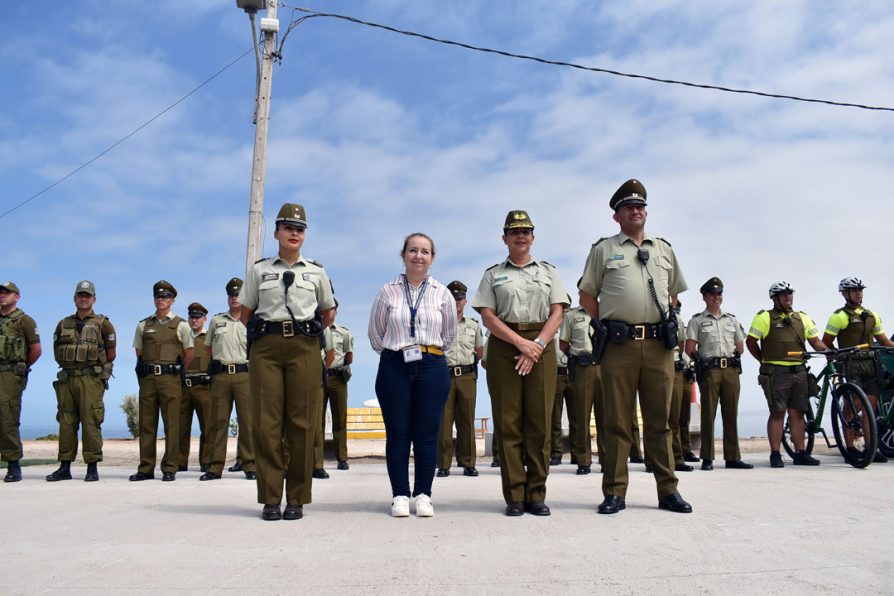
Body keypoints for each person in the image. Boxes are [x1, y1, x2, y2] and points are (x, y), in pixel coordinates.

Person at [578, 179, 692, 514]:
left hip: (658, 348)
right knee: (616, 422)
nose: (635, 210)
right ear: (617, 216)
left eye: (640, 206)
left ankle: (667, 490)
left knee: (661, 422)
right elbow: (587, 296)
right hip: (619, 347)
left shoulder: (663, 249)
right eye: (628, 207)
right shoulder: (604, 249)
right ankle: (615, 491)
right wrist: (613, 324)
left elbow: (673, 294)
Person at [239, 203, 335, 521]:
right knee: (267, 423)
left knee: (303, 423)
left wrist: (311, 330)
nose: (294, 233)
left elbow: (328, 310)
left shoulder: (317, 272)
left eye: (300, 229)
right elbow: (245, 311)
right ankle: (269, 498)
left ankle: (296, 497)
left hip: (304, 348)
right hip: (266, 347)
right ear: (277, 232)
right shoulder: (259, 270)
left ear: (304, 235)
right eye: (288, 227)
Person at [472, 210, 568, 517]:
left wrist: (536, 345)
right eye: (514, 231)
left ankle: (536, 494)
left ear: (533, 237)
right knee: (508, 422)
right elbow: (487, 316)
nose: (521, 235)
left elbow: (557, 312)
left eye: (526, 231)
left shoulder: (549, 272)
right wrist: (521, 344)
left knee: (539, 422)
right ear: (504, 238)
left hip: (541, 344)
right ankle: (514, 495)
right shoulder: (493, 274)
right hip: (504, 346)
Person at [369, 233, 456, 518]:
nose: (419, 256)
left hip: (432, 364)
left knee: (427, 433)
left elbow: (450, 335)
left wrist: (428, 350)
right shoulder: (387, 291)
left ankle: (423, 494)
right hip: (395, 364)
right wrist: (397, 351)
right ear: (403, 255)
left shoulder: (442, 293)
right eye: (413, 250)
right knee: (398, 433)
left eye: (425, 251)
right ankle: (400, 495)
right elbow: (376, 333)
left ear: (432, 257)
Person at [746, 281, 827, 468]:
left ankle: (800, 453)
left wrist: (827, 350)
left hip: (799, 371)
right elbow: (751, 342)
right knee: (777, 412)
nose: (788, 297)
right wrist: (763, 359)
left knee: (798, 413)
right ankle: (775, 453)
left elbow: (815, 341)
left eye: (790, 294)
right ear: (774, 298)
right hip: (776, 373)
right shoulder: (764, 318)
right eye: (783, 294)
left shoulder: (802, 318)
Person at [47, 280, 116, 482]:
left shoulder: (103, 324)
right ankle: (64, 466)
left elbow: (111, 354)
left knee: (91, 421)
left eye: (87, 295)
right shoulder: (63, 324)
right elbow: (56, 351)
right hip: (67, 379)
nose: (83, 298)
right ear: (75, 298)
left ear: (94, 299)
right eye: (80, 295)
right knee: (66, 422)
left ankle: (92, 467)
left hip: (90, 379)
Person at [821, 276, 894, 463]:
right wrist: (834, 355)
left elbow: (884, 341)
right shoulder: (839, 316)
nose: (858, 293)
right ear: (844, 294)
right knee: (852, 408)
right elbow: (827, 343)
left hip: (871, 363)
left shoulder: (871, 315)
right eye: (854, 290)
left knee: (870, 407)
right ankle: (851, 448)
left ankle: (870, 448)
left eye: (860, 290)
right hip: (851, 363)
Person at [685, 277, 752, 471]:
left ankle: (732, 457)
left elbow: (740, 346)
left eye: (719, 294)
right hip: (710, 371)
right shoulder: (697, 321)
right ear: (705, 297)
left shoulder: (732, 319)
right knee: (709, 416)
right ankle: (707, 457)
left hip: (730, 370)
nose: (716, 297)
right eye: (712, 294)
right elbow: (690, 348)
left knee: (731, 414)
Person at [131, 280, 194, 482]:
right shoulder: (143, 325)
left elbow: (189, 353)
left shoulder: (181, 325)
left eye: (165, 297)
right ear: (154, 299)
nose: (161, 300)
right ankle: (146, 468)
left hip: (170, 378)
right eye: (158, 296)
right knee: (147, 424)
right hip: (148, 379)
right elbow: (139, 352)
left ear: (172, 300)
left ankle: (170, 467)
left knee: (172, 424)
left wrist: (175, 370)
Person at [203, 278, 255, 481]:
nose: (235, 298)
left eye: (238, 295)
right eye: (231, 295)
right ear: (227, 298)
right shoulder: (217, 321)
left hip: (245, 375)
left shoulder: (252, 320)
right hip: (222, 375)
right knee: (218, 422)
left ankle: (249, 464)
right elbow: (209, 347)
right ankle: (215, 467)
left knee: (248, 422)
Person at [436, 281, 484, 478]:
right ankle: (444, 464)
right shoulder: (438, 323)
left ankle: (468, 463)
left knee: (466, 421)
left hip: (466, 376)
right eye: (453, 298)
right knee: (444, 422)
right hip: (443, 375)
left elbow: (479, 352)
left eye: (460, 298)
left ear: (465, 301)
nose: (457, 302)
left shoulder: (473, 325)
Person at [0, 281, 41, 482]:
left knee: (7, 417)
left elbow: (36, 350)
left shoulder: (25, 321)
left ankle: (13, 464)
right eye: (1, 292)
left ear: (17, 297)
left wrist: (21, 368)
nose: (3, 295)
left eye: (8, 293)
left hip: (10, 374)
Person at [559, 300, 602, 475]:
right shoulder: (571, 316)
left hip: (605, 367)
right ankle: (583, 461)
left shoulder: (608, 311)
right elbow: (563, 344)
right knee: (581, 417)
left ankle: (607, 460)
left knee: (606, 417)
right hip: (582, 367)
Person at [314, 299, 354, 476]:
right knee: (317, 421)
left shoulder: (343, 333)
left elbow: (349, 357)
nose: (328, 313)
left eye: (331, 310)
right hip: (318, 378)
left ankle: (342, 458)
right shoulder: (314, 331)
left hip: (337, 378)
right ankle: (317, 460)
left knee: (340, 419)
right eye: (325, 310)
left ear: (336, 311)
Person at [178, 302, 212, 473]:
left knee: (207, 425)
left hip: (203, 387)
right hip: (183, 386)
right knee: (181, 426)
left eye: (198, 317)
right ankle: (180, 461)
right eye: (192, 317)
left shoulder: (210, 338)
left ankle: (206, 461)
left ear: (205, 319)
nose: (194, 320)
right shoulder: (182, 336)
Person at [550, 321, 574, 467]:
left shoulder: (574, 325)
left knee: (577, 417)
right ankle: (556, 454)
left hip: (574, 372)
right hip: (557, 374)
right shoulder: (550, 328)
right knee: (555, 418)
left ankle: (577, 454)